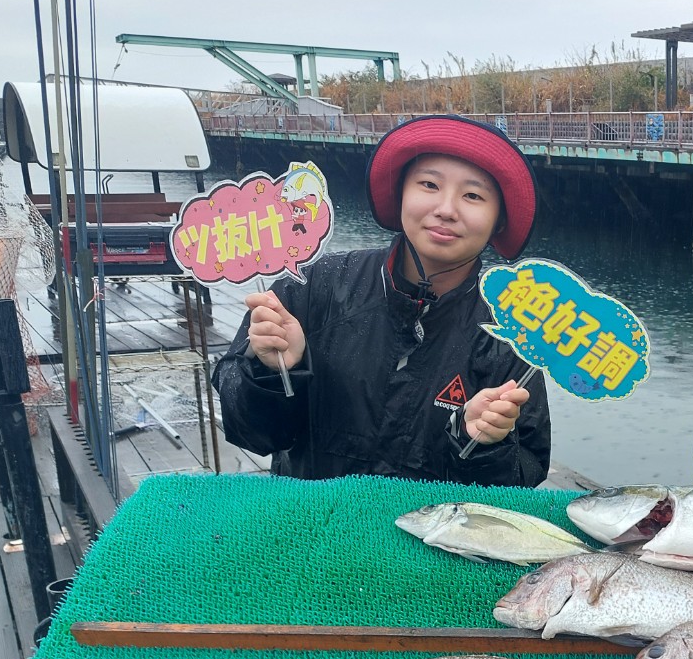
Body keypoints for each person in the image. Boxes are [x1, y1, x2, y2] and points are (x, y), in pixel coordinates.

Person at [213, 115, 549, 485]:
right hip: (308, 524)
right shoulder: (313, 284)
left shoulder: (513, 331)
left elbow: (527, 472)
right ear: (401, 192)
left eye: (473, 195)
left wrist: (480, 444)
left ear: (498, 219)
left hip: (428, 535)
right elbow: (254, 435)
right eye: (429, 184)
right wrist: (272, 372)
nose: (447, 209)